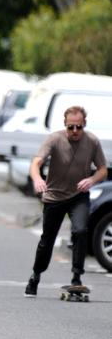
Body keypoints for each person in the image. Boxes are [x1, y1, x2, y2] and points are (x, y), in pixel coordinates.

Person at [24, 106, 108, 297]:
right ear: (65, 125)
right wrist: (37, 179)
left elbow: (103, 169)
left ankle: (76, 277)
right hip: (54, 196)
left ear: (84, 124)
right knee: (47, 239)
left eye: (79, 127)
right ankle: (35, 275)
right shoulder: (55, 139)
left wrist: (92, 180)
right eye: (71, 127)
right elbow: (36, 162)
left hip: (78, 195)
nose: (75, 131)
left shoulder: (92, 141)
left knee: (80, 230)